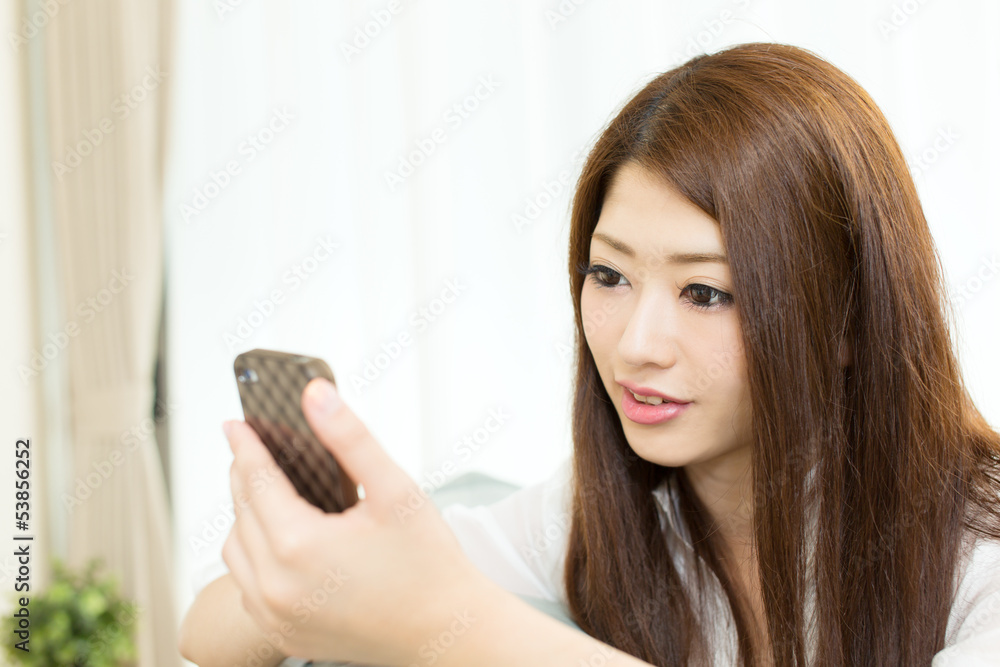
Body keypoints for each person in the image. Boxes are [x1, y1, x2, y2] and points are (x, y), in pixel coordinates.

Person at [178, 42, 1000, 666]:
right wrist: (309, 568)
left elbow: (448, 615)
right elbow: (202, 633)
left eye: (705, 292)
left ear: (849, 319)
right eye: (608, 276)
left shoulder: (977, 542)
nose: (635, 344)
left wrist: (446, 622)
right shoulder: (610, 508)